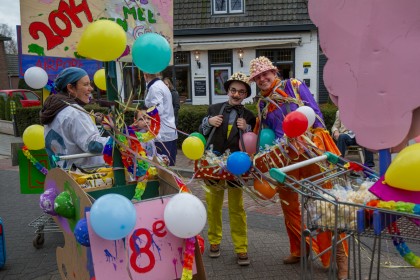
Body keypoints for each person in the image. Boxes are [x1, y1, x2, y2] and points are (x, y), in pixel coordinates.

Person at [248, 56, 348, 279]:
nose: (263, 79)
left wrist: (312, 138)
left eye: (266, 74)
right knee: (288, 204)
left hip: (310, 153)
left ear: (274, 73)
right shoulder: (262, 104)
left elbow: (315, 113)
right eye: (258, 77)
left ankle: (337, 259)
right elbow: (266, 135)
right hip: (285, 159)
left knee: (324, 203)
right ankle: (299, 249)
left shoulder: (293, 85)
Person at [200, 72, 256, 266]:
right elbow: (202, 132)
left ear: (245, 95)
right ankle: (214, 241)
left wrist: (247, 128)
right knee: (213, 205)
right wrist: (209, 122)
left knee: (237, 208)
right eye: (233, 90)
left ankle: (241, 247)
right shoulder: (214, 109)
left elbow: (252, 142)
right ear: (228, 91)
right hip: (214, 163)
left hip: (236, 165)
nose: (236, 94)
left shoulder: (250, 116)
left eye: (241, 92)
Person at [40, 67, 109, 169]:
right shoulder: (74, 112)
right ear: (70, 88)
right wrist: (121, 141)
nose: (91, 88)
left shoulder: (54, 110)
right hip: (83, 176)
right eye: (86, 84)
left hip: (62, 175)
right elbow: (92, 144)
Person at [144, 72, 178, 166]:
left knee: (161, 169)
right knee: (169, 167)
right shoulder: (162, 85)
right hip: (169, 130)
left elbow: (158, 110)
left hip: (161, 134)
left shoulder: (155, 88)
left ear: (145, 76)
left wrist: (145, 115)